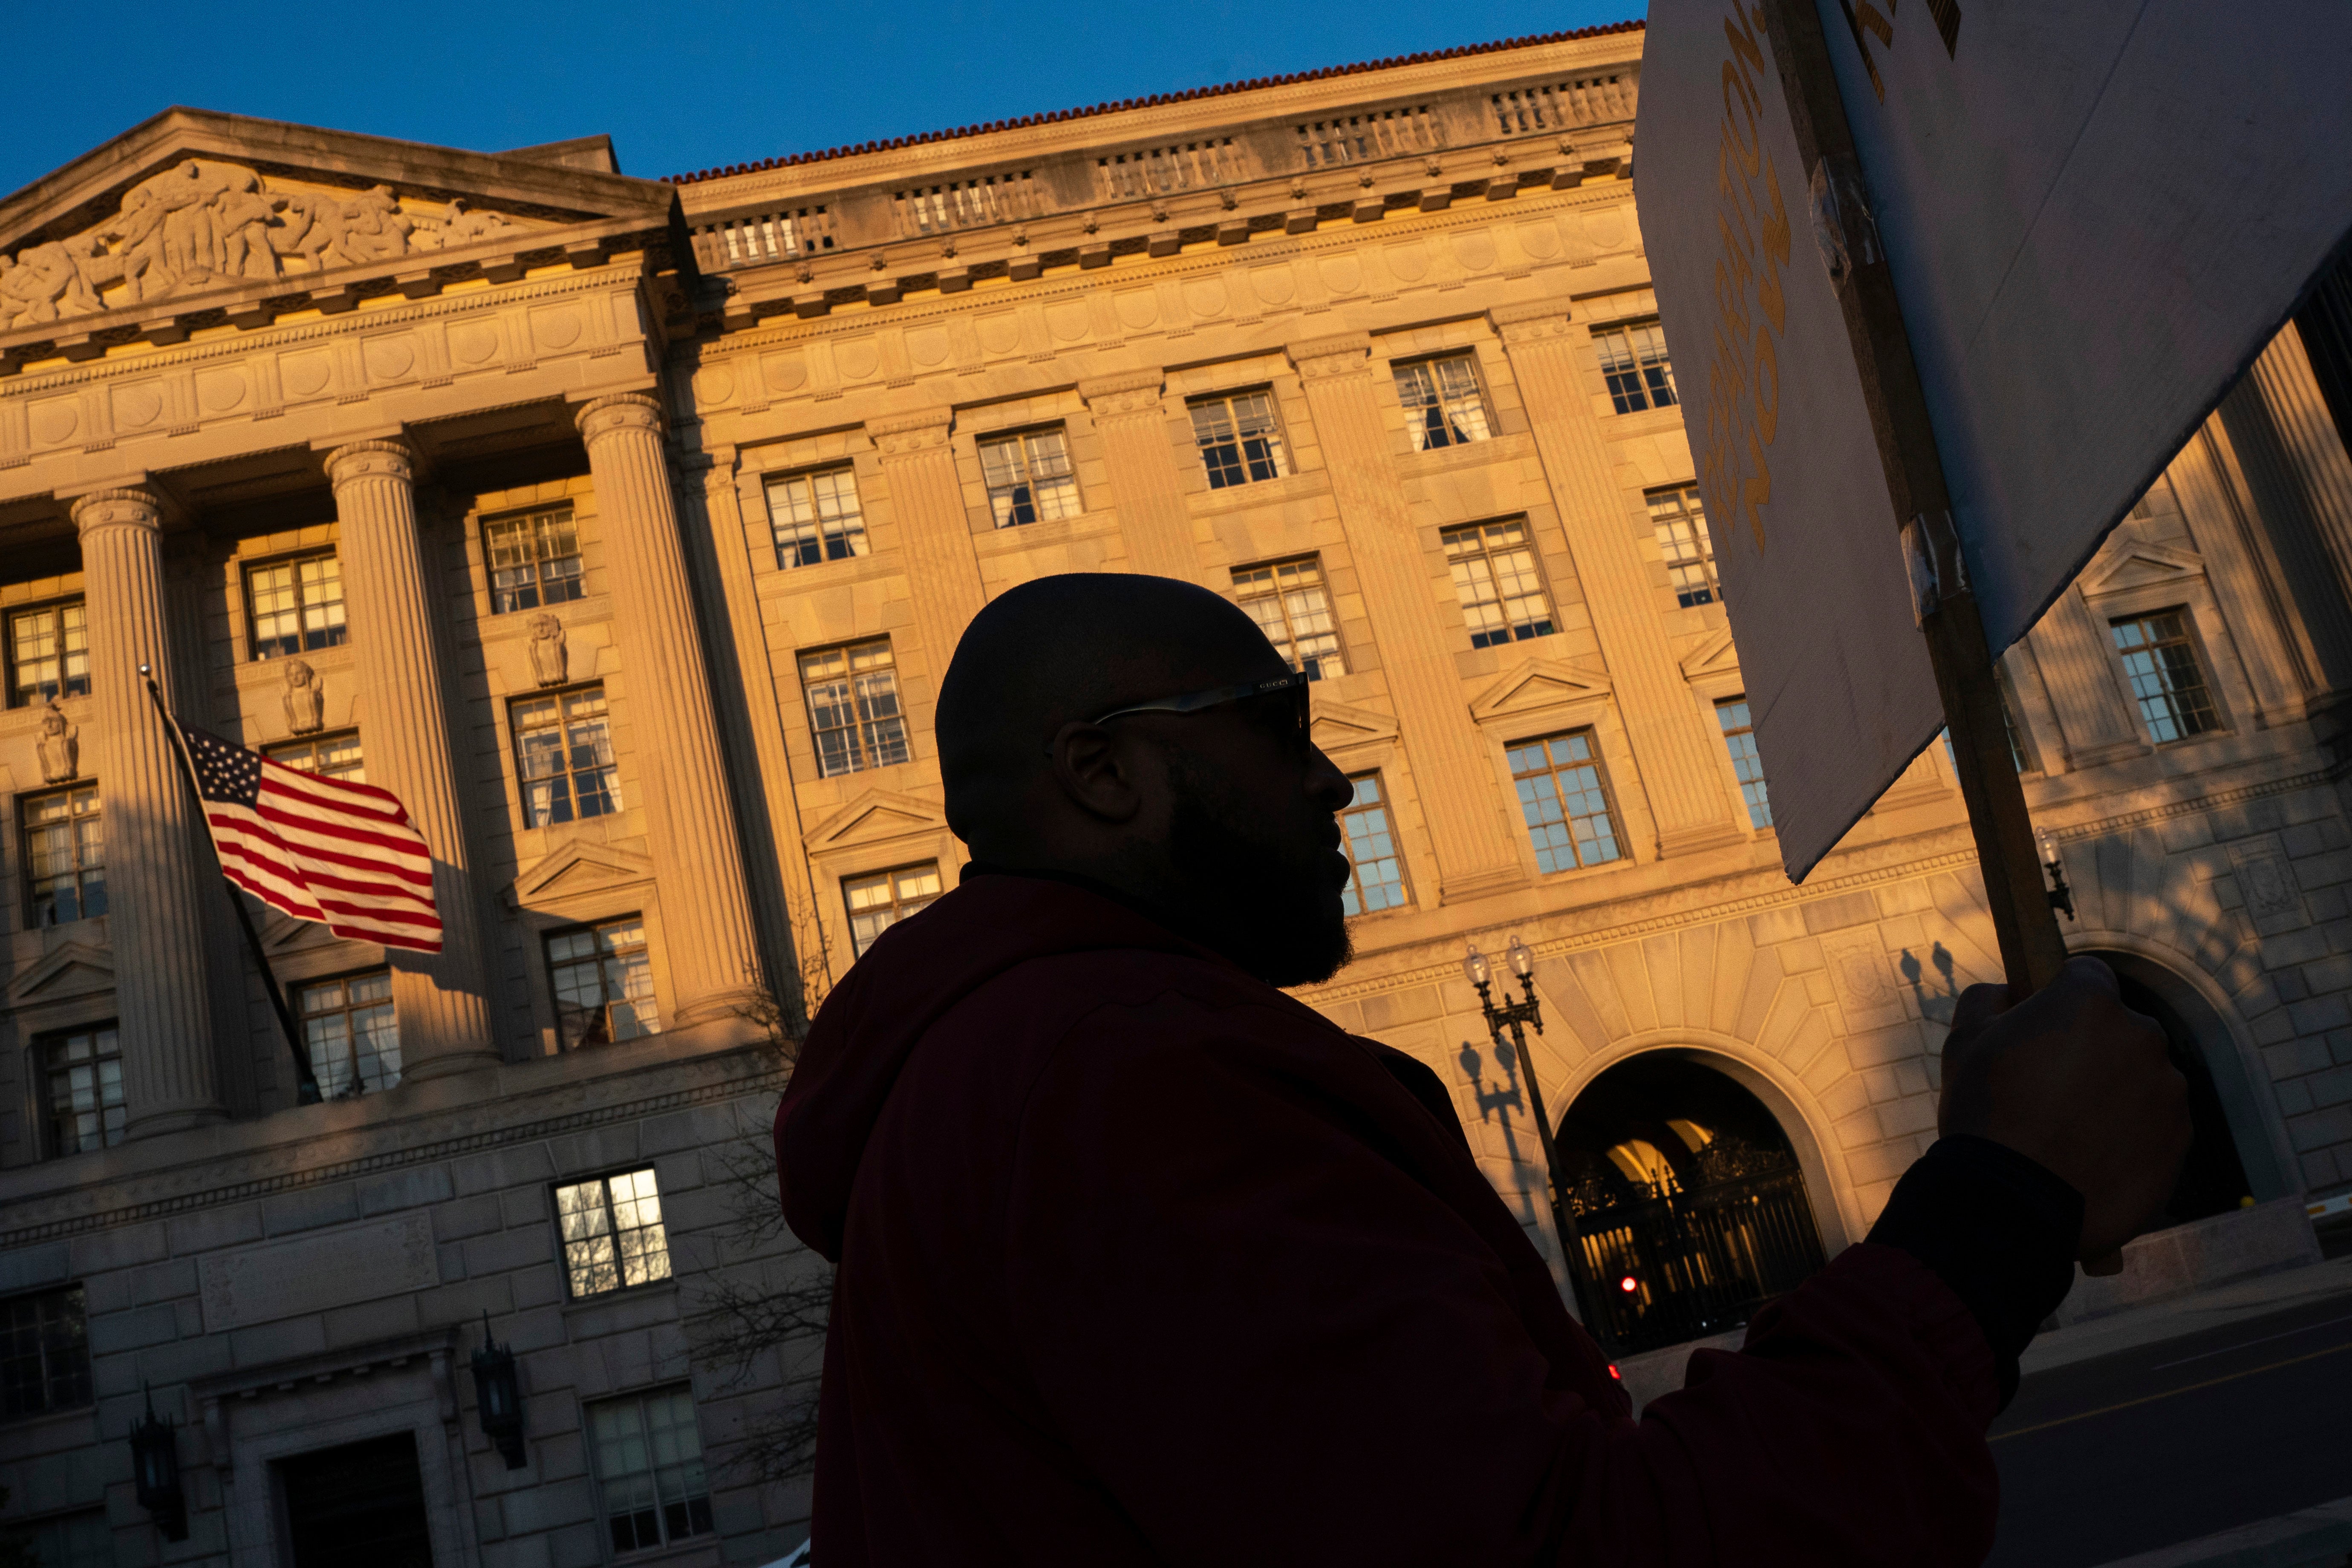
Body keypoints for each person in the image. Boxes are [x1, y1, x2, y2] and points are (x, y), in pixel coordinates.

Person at [773, 572, 2192, 1566]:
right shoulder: (1116, 1083)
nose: (1337, 782)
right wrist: (1996, 1213)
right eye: (1277, 727)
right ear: (1102, 775)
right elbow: (1571, 1551)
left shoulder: (1015, 1078)